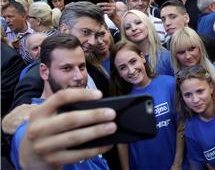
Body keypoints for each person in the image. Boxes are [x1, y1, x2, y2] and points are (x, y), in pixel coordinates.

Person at [11, 34, 112, 170]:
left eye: (82, 67)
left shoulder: (81, 111)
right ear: (44, 72)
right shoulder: (32, 127)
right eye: (67, 68)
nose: (78, 77)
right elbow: (32, 153)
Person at [110, 40, 181, 170]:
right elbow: (122, 143)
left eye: (133, 61)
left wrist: (177, 164)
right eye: (122, 67)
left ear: (142, 57)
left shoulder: (169, 84)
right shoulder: (121, 102)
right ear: (118, 73)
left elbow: (181, 126)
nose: (131, 70)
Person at [120, 9, 173, 75]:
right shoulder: (123, 61)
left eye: (138, 23)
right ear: (125, 34)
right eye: (127, 27)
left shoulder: (167, 57)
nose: (134, 28)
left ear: (148, 24)